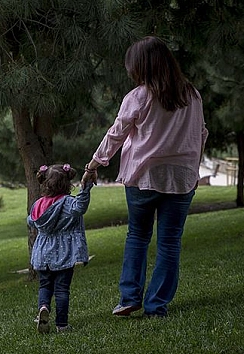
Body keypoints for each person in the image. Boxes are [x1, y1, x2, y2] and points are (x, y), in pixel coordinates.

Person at [81, 36, 208, 318]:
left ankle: (129, 298)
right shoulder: (193, 95)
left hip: (143, 178)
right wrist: (193, 168)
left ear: (141, 67)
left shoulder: (138, 96)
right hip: (181, 179)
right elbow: (201, 134)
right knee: (170, 241)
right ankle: (156, 305)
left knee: (137, 235)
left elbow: (117, 133)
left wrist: (95, 163)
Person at [28, 163, 92, 333]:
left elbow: (31, 221)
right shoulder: (69, 202)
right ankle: (62, 324)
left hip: (42, 254)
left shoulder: (38, 204)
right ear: (67, 183)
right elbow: (81, 207)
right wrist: (85, 188)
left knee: (45, 286)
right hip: (64, 253)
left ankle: (43, 307)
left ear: (45, 183)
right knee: (62, 289)